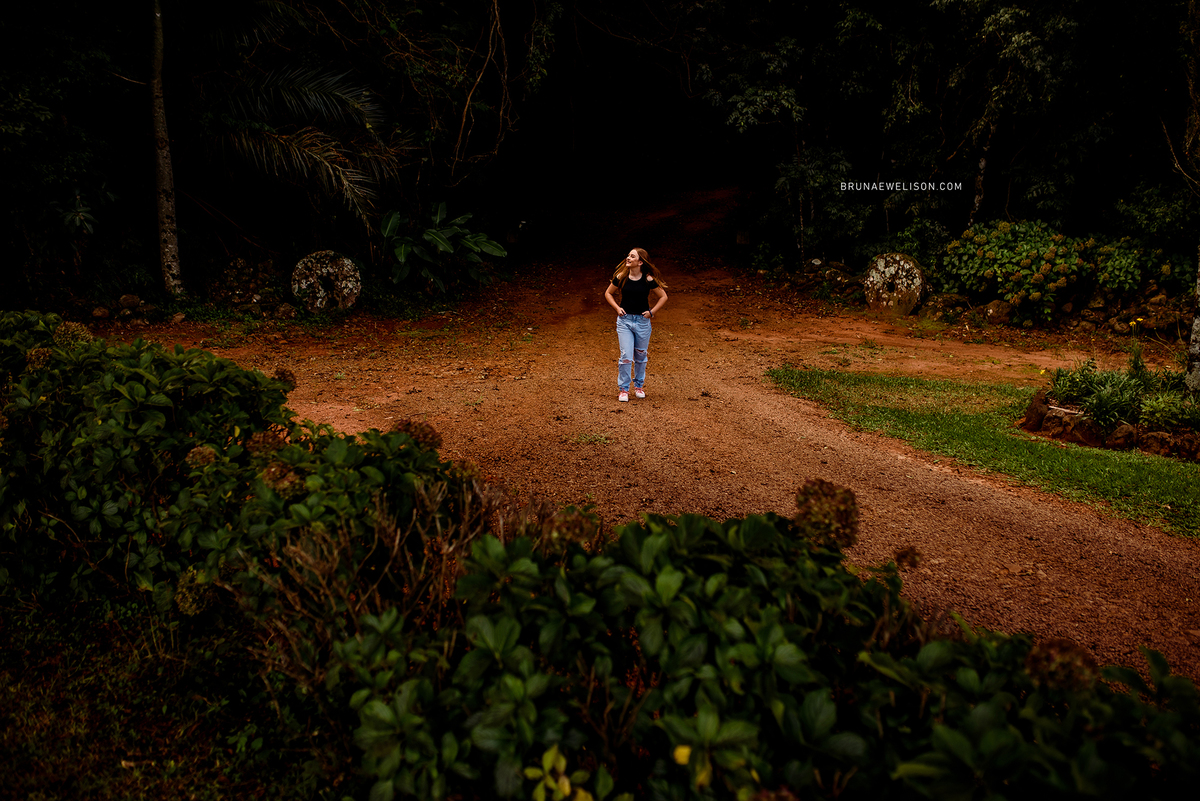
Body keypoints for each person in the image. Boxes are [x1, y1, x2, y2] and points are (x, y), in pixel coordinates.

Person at [603, 247, 668, 402]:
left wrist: (652, 312)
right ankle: (624, 390)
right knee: (625, 356)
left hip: (642, 322)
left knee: (640, 355)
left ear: (640, 262)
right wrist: (617, 308)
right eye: (628, 255)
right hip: (624, 321)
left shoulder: (648, 279)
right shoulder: (621, 277)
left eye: (632, 256)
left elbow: (663, 296)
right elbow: (608, 293)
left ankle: (638, 386)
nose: (628, 258)